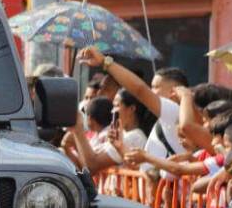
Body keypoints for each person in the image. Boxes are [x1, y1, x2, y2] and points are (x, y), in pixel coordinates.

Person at [77, 48, 206, 161]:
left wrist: (105, 62)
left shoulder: (175, 111)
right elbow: (144, 166)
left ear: (175, 89)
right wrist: (121, 147)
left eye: (156, 87)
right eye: (151, 87)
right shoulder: (167, 118)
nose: (151, 91)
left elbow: (139, 90)